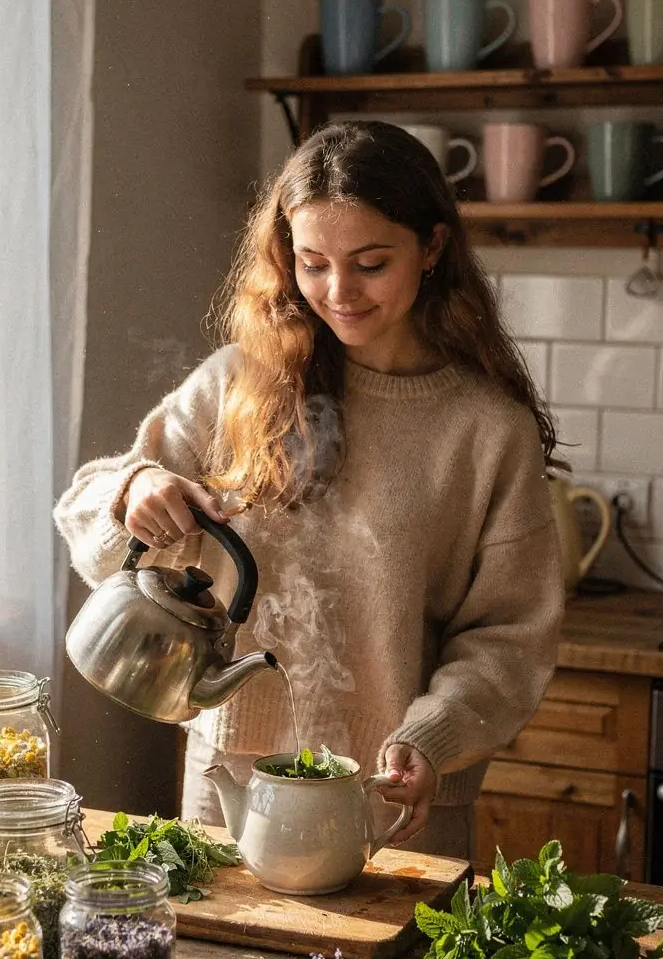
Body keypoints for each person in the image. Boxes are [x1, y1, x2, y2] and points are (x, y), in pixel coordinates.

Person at [54, 121, 564, 860]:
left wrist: (434, 735)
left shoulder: (486, 429)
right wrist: (135, 486)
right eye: (312, 263)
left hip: (394, 794)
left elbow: (511, 637)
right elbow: (85, 504)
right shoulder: (239, 383)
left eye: (370, 263)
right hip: (230, 778)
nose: (337, 292)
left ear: (433, 247)